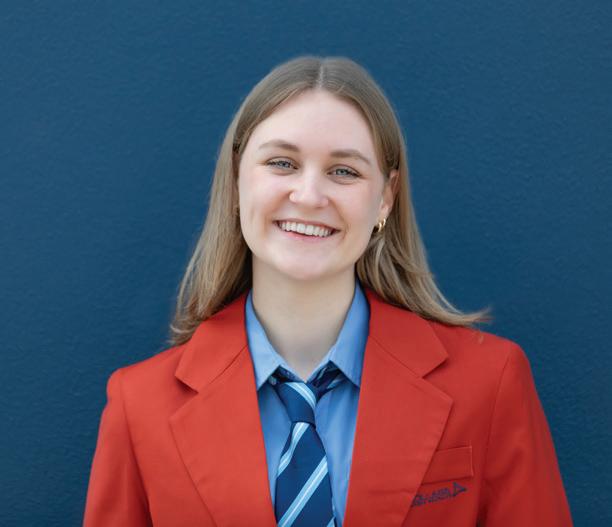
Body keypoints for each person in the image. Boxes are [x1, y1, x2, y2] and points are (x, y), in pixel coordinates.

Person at [83, 56, 573, 526]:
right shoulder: (138, 405)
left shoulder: (490, 382)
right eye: (282, 163)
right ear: (235, 181)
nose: (309, 196)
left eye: (344, 171)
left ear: (385, 198)